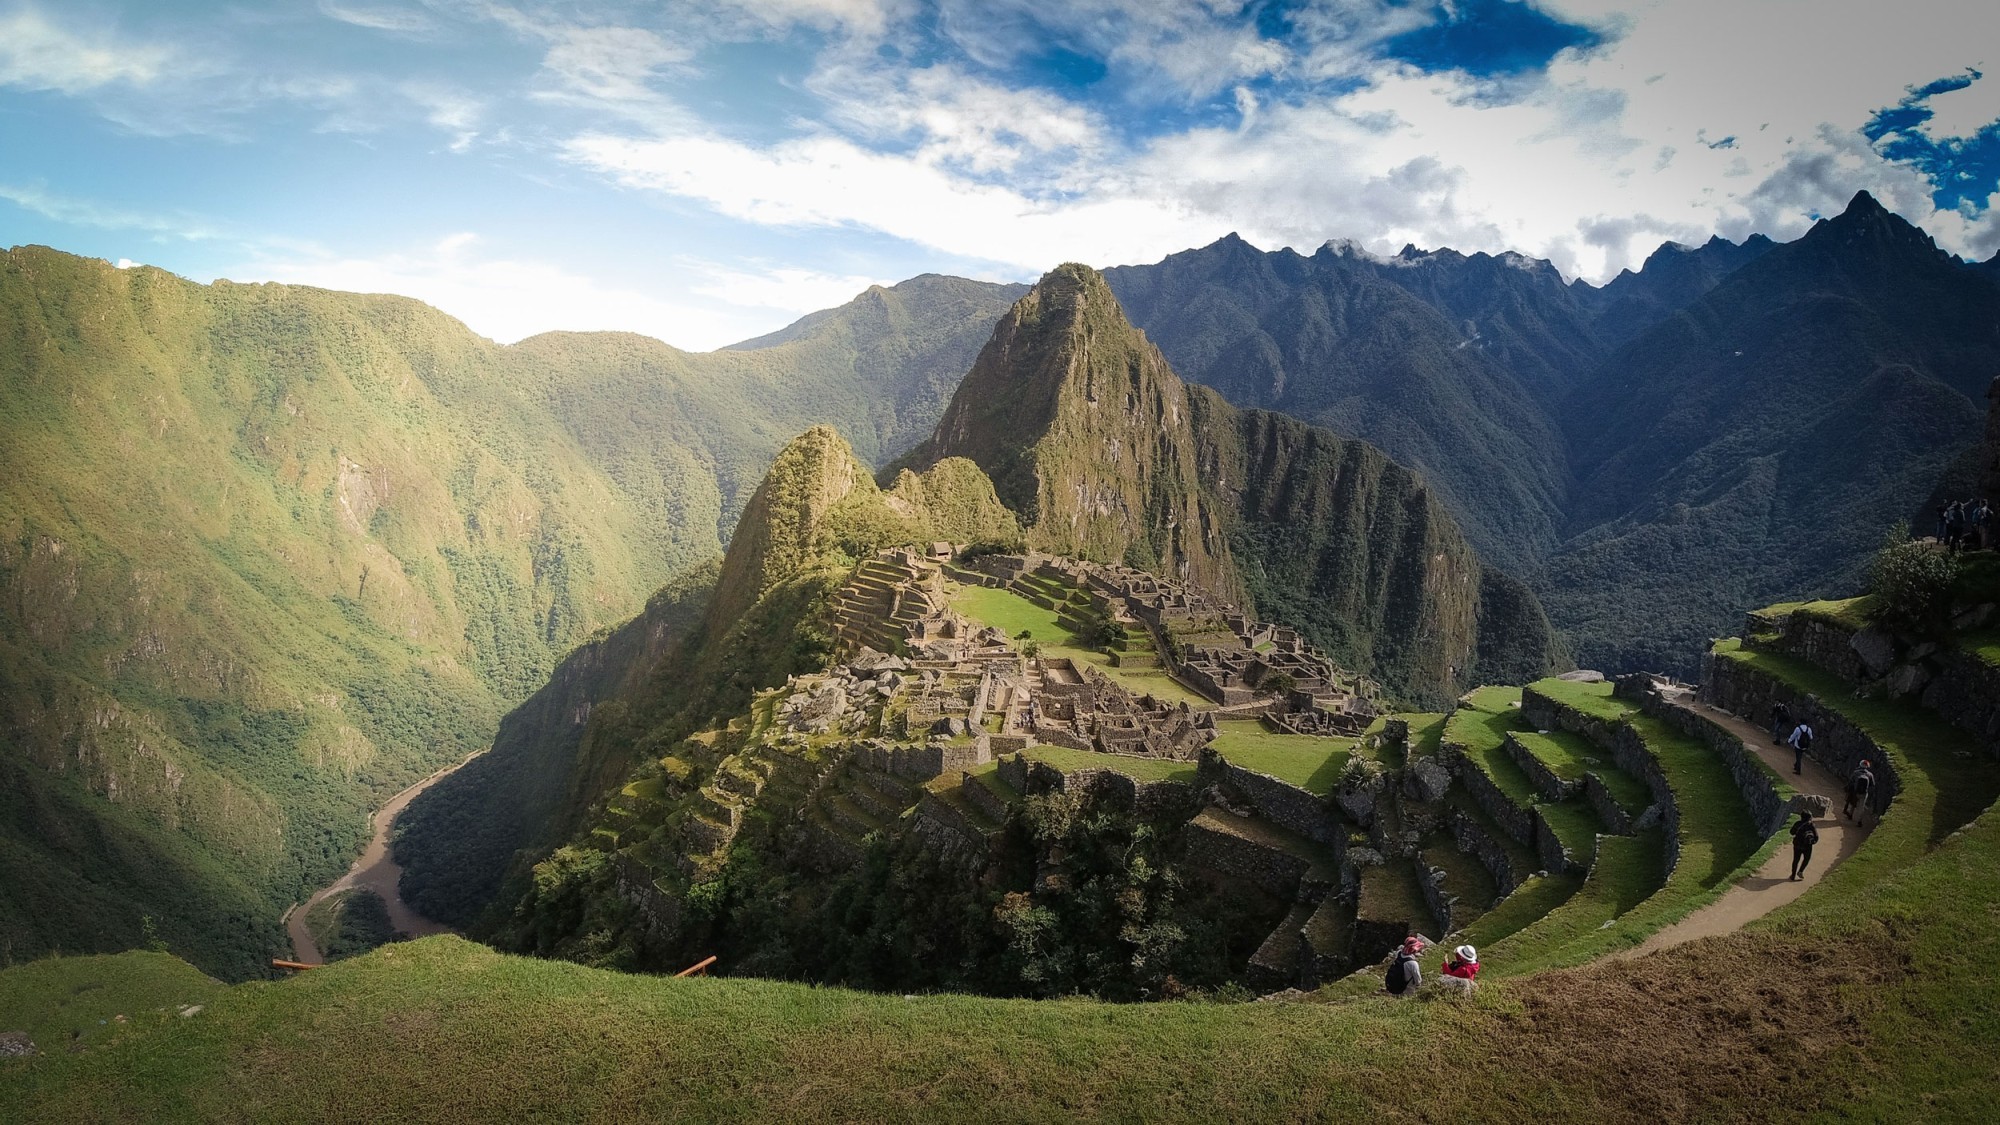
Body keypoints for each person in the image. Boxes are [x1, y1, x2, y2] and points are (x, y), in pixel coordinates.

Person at [1789, 810, 1819, 881]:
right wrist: (1812, 842)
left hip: (1797, 845)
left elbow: (1791, 832)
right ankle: (1800, 871)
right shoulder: (1811, 825)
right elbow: (1816, 836)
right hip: (1807, 846)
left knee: (1796, 860)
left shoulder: (1797, 824)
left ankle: (1793, 875)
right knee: (1806, 859)